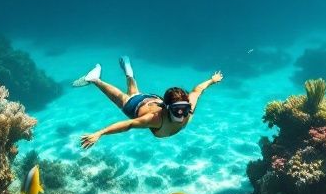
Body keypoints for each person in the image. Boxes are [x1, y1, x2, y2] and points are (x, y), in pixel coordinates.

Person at [73, 56, 222, 149]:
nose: (182, 113)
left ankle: (129, 73)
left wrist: (212, 81)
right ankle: (94, 79)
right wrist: (100, 133)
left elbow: (197, 90)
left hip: (153, 99)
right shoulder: (154, 119)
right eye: (177, 109)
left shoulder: (189, 107)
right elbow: (128, 125)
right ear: (167, 108)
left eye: (185, 108)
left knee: (134, 92)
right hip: (136, 105)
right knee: (121, 97)